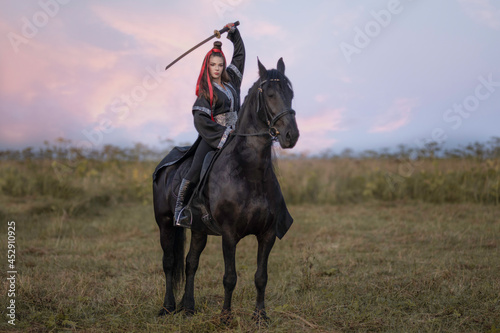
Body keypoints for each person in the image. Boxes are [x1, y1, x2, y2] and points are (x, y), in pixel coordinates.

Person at [175, 22, 245, 227]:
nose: (217, 68)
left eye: (220, 65)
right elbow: (200, 120)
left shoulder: (232, 81)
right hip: (214, 136)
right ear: (207, 65)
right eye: (213, 65)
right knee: (196, 168)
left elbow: (239, 56)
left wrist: (234, 33)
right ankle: (181, 211)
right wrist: (223, 134)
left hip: (237, 135)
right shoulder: (206, 93)